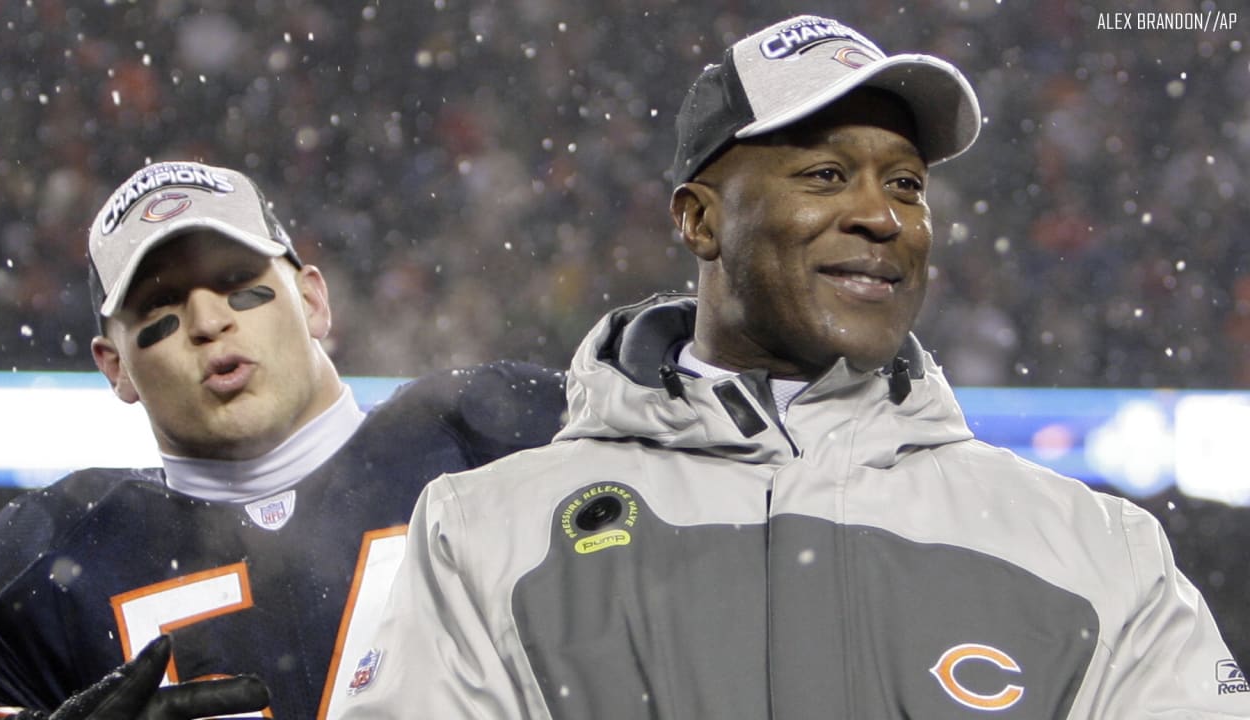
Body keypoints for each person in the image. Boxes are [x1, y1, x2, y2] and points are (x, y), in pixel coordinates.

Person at [336, 15, 1249, 719]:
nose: (883, 216)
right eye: (823, 176)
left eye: (906, 184)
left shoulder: (1097, 548)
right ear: (699, 221)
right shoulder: (486, 532)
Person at [0, 161, 568, 719]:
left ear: (312, 299)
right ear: (115, 367)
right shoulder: (41, 571)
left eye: (237, 284)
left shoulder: (493, 435)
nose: (208, 324)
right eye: (160, 306)